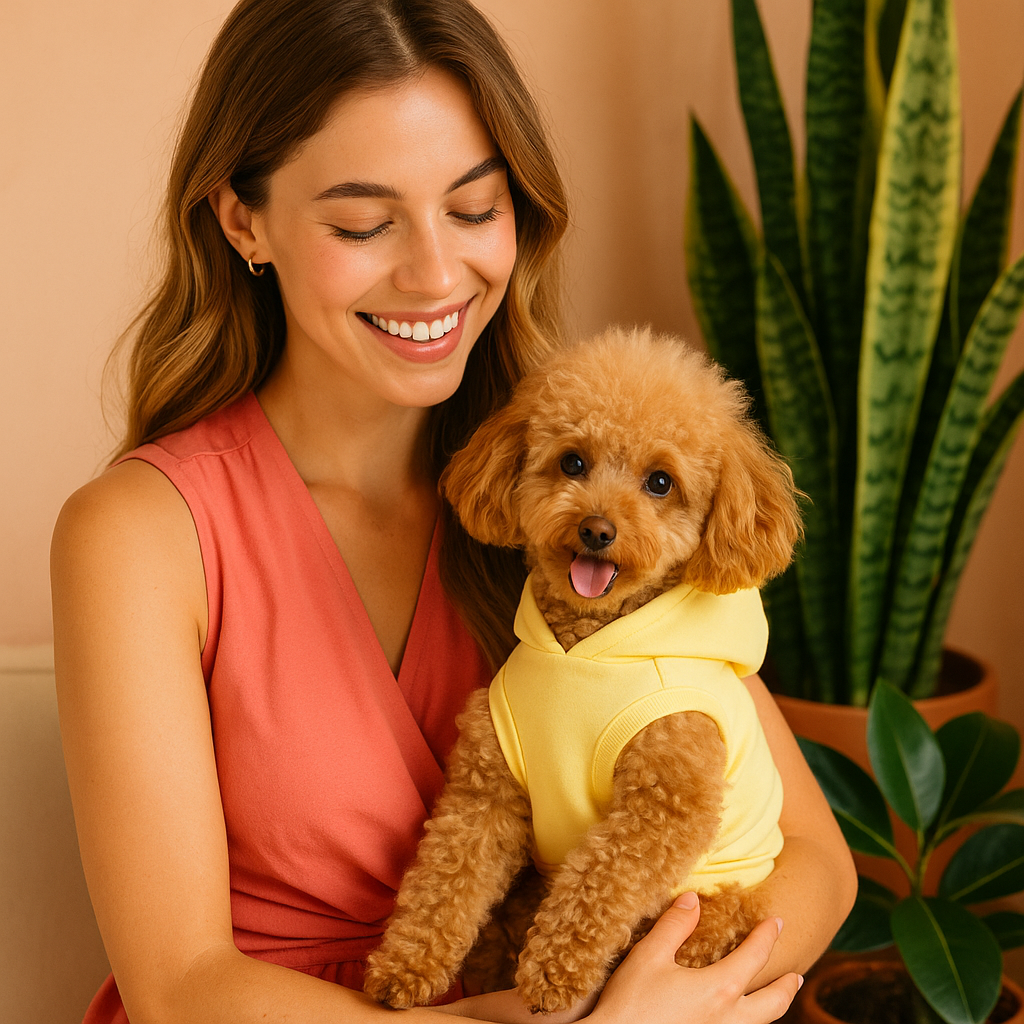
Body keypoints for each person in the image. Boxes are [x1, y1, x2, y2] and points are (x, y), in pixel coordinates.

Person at [50, 2, 856, 1022]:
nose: (435, 273)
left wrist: (674, 992)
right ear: (241, 219)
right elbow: (182, 987)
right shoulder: (139, 533)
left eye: (473, 210)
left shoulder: (585, 515)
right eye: (362, 221)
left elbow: (816, 859)